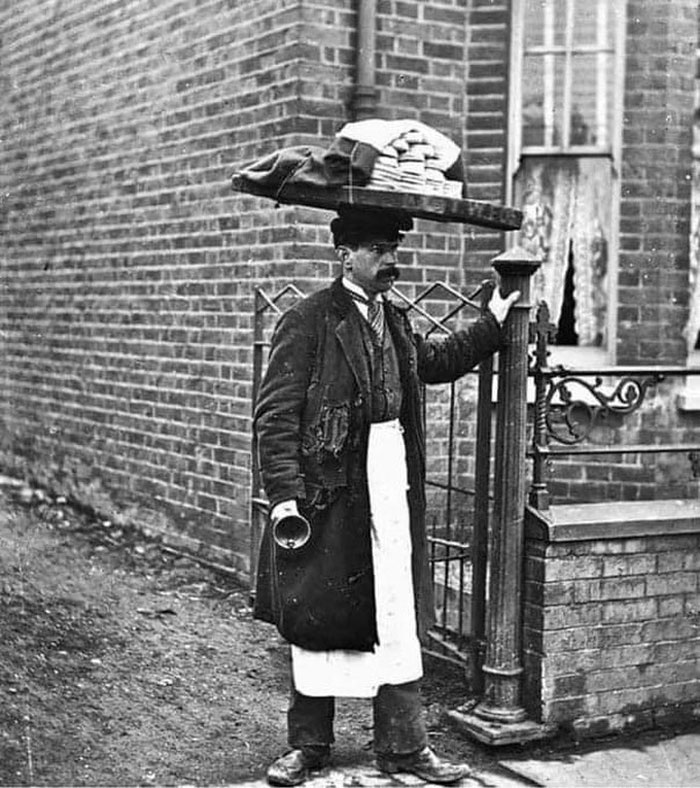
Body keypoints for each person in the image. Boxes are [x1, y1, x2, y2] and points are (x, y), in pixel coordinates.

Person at [253, 207, 519, 786]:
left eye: (394, 249)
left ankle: (404, 746)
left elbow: (435, 362)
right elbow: (275, 417)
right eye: (377, 249)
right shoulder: (308, 320)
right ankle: (309, 747)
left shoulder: (393, 320)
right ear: (343, 254)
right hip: (329, 491)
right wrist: (285, 497)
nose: (390, 261)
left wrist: (495, 318)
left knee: (396, 610)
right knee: (318, 614)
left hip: (390, 477)